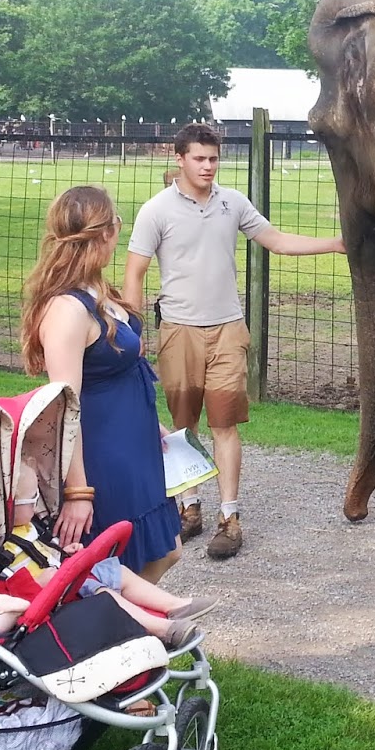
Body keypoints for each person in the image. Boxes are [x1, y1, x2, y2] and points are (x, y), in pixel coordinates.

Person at [124, 122, 345, 560]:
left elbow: (276, 241)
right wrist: (133, 332)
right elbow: (135, 273)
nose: (208, 166)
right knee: (183, 426)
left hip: (227, 328)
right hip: (179, 330)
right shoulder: (156, 210)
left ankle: (230, 517)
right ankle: (189, 508)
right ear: (179, 159)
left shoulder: (232, 203)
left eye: (213, 159)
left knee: (225, 424)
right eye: (199, 159)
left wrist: (338, 243)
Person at [20, 185, 184, 582]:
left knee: (166, 550)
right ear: (108, 231)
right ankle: (119, 619)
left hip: (135, 442)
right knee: (119, 563)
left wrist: (151, 425)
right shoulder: (67, 310)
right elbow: (64, 406)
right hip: (102, 455)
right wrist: (79, 493)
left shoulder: (97, 290)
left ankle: (128, 618)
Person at [0, 486, 217, 649]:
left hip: (67, 576)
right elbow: (18, 584)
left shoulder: (26, 527)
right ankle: (163, 630)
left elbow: (45, 551)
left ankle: (174, 605)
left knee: (117, 571)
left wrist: (66, 551)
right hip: (49, 598)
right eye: (31, 499)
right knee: (102, 593)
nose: (36, 506)